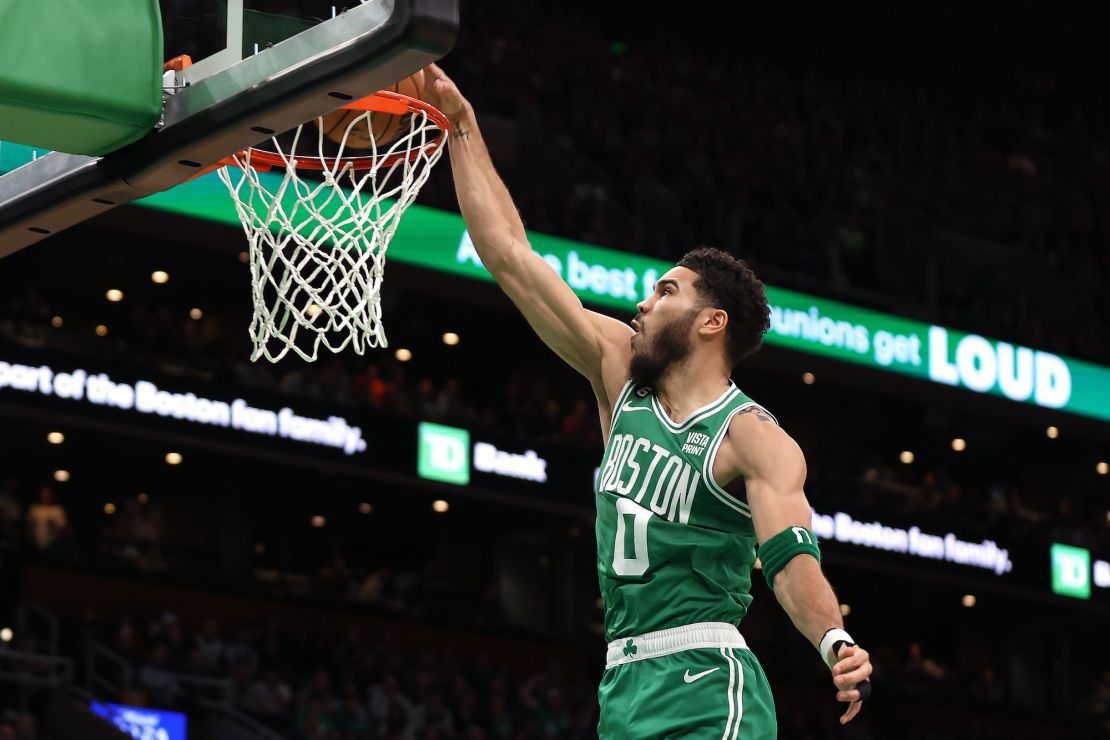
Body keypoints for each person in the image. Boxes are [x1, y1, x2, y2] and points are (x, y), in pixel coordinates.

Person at [425, 64, 873, 738]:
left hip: (707, 680)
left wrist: (834, 641)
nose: (642, 300)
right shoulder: (617, 374)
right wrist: (461, 126)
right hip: (623, 684)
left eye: (666, 291)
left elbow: (789, 560)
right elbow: (509, 256)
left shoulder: (751, 436)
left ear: (711, 322)